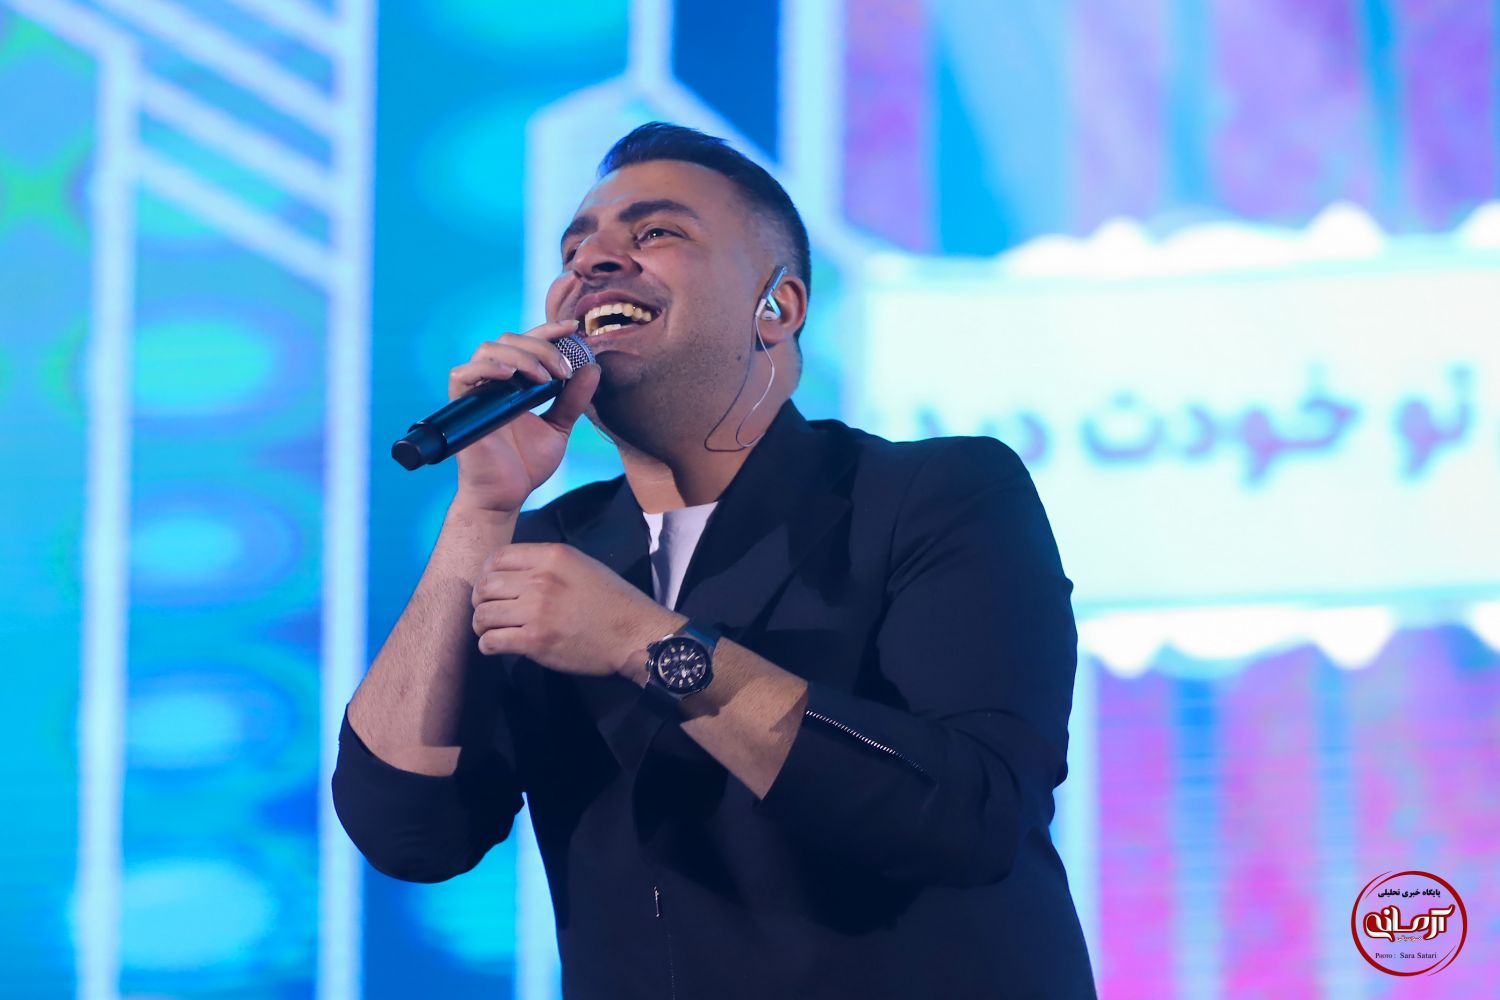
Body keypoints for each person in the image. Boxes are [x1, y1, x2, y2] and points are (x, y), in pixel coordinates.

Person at [333, 122, 1095, 999]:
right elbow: (407, 832)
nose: (593, 261)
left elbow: (972, 814)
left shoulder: (934, 493)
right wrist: (482, 510)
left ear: (778, 307)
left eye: (655, 232)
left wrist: (647, 646)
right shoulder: (549, 548)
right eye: (574, 249)